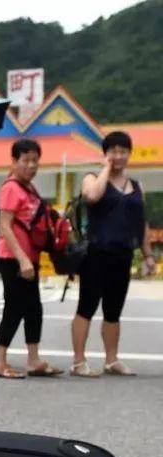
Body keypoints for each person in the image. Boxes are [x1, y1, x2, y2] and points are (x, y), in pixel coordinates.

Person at [70, 131, 156, 377]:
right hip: (97, 253)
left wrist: (148, 255)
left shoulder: (137, 186)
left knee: (113, 310)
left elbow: (142, 224)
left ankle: (111, 359)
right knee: (86, 307)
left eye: (123, 151)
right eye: (113, 151)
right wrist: (106, 169)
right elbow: (92, 196)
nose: (118, 156)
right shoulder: (92, 178)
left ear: (130, 154)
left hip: (123, 253)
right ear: (105, 154)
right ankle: (78, 361)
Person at [0, 139, 63, 379]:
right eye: (26, 161)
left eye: (35, 161)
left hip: (29, 257)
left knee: (34, 308)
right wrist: (22, 259)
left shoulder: (29, 188)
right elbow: (5, 226)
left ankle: (33, 360)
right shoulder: (11, 188)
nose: (31, 166)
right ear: (14, 162)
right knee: (15, 307)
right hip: (13, 257)